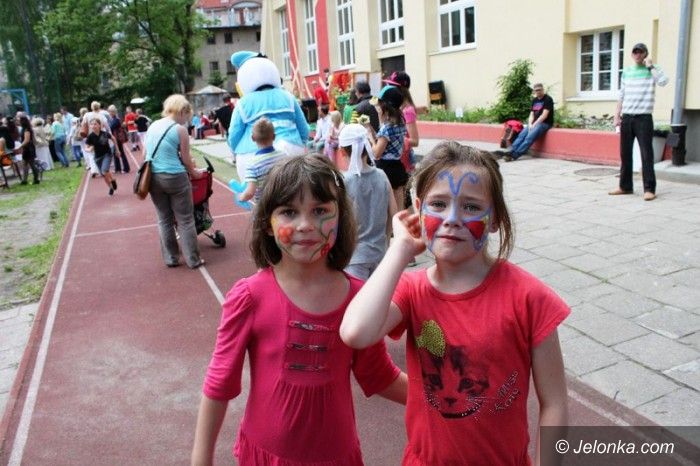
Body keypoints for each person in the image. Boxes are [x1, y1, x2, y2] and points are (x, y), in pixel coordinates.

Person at [340, 141, 570, 465]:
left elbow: (555, 403)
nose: (452, 218)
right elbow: (356, 332)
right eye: (438, 204)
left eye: (471, 207)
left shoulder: (530, 298)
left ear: (494, 219)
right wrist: (399, 249)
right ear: (418, 210)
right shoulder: (411, 290)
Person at [191, 154, 407, 466]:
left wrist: (439, 399)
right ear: (267, 224)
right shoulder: (249, 297)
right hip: (265, 456)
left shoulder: (360, 299)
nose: (305, 225)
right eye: (289, 212)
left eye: (320, 210)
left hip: (337, 455)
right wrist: (201, 458)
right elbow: (219, 381)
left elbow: (378, 375)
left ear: (340, 217)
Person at [145, 94, 205, 269]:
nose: (187, 119)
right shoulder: (179, 130)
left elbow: (145, 154)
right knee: (185, 219)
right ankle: (193, 259)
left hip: (153, 177)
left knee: (164, 219)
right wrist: (194, 173)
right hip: (175, 177)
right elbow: (186, 159)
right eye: (187, 115)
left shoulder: (153, 126)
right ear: (182, 111)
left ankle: (171, 258)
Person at [609, 42, 669, 201]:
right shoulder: (627, 71)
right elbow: (621, 95)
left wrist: (650, 67)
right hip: (627, 117)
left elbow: (663, 81)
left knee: (646, 154)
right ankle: (625, 186)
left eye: (640, 52)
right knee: (625, 153)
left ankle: (649, 189)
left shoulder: (653, 69)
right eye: (635, 52)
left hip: (644, 118)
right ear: (632, 54)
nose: (637, 54)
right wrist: (617, 115)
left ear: (645, 54)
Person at [339, 124, 397, 280]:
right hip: (380, 253)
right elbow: (393, 213)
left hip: (354, 257)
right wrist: (385, 240)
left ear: (342, 151)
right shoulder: (382, 175)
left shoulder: (343, 181)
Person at [363, 85, 408, 213]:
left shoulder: (387, 128)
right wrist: (371, 126)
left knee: (388, 209)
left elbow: (376, 153)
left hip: (385, 168)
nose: (377, 108)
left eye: (379, 105)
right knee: (400, 207)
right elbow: (383, 138)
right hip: (397, 167)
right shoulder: (400, 123)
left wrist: (369, 133)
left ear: (385, 107)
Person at [498, 83, 554, 162]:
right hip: (534, 123)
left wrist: (534, 125)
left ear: (543, 90)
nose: (538, 92)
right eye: (536, 90)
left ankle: (514, 155)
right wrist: (530, 124)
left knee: (529, 138)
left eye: (539, 90)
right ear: (534, 91)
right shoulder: (535, 100)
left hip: (544, 123)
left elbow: (544, 115)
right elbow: (531, 114)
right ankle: (511, 152)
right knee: (521, 136)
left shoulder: (548, 99)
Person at [238, 117, 286, 203]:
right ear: (274, 137)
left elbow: (250, 192)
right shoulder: (284, 156)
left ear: (253, 138)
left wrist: (241, 197)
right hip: (282, 202)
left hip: (263, 206)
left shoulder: (252, 164)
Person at [384, 71, 419, 176]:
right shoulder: (397, 108)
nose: (388, 88)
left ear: (400, 89)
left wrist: (394, 137)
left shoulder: (407, 111)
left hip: (403, 161)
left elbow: (415, 141)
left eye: (391, 86)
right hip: (394, 158)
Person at [85, 117, 121, 196]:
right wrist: (89, 149)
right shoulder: (90, 136)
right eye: (91, 124)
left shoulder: (104, 133)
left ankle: (111, 182)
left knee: (104, 170)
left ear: (99, 125)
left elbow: (113, 139)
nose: (93, 126)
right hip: (97, 157)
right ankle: (111, 185)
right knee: (104, 174)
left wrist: (117, 150)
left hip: (107, 154)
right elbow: (86, 147)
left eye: (95, 124)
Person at [14, 115, 41, 185]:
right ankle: (25, 180)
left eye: (19, 120)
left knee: (31, 164)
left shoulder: (26, 130)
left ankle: (35, 179)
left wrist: (19, 147)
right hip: (28, 148)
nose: (17, 122)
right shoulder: (26, 129)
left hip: (28, 148)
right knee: (25, 164)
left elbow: (27, 140)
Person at [107, 105, 130, 173]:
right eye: (109, 112)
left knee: (121, 152)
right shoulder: (114, 119)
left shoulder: (116, 120)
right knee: (115, 153)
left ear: (113, 112)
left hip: (118, 138)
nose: (109, 113)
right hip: (115, 138)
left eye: (110, 112)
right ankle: (118, 168)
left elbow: (111, 128)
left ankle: (126, 169)